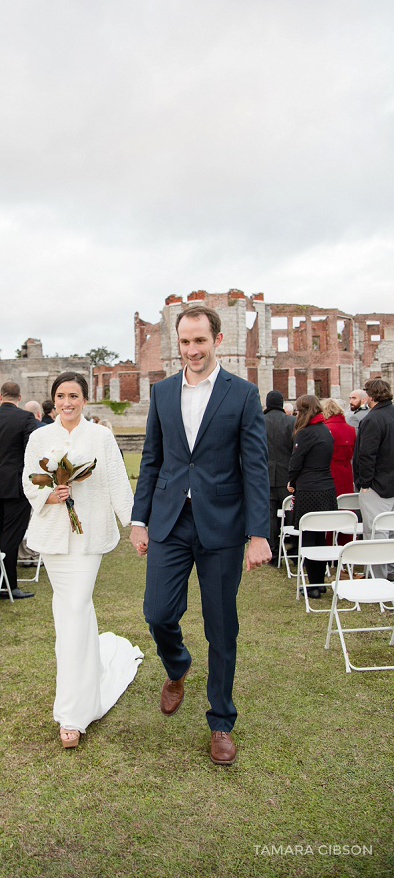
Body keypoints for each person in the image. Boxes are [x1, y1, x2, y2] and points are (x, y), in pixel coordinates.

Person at [130, 305, 270, 767]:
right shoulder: (162, 391)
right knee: (157, 612)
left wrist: (257, 533)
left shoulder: (244, 393)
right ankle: (177, 666)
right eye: (185, 342)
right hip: (170, 520)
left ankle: (221, 721)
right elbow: (152, 459)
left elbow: (255, 466)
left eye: (200, 341)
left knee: (220, 625)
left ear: (217, 341)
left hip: (223, 525)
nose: (192, 350)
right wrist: (139, 519)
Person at [23, 372, 141, 748]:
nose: (67, 402)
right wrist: (50, 496)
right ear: (53, 400)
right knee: (72, 612)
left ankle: (71, 714)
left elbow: (118, 484)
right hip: (53, 539)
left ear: (85, 400)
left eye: (74, 395)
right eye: (61, 396)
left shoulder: (101, 437)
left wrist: (135, 525)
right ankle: (85, 690)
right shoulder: (39, 437)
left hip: (89, 538)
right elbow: (28, 480)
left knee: (74, 607)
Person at [0, 380, 37, 600]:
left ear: (0, 397)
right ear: (19, 397)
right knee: (11, 537)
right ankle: (7, 586)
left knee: (2, 534)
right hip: (16, 486)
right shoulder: (26, 418)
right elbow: (31, 450)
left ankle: (1, 585)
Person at [287, 395, 336, 599]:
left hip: (309, 488)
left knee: (308, 537)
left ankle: (313, 584)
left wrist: (291, 480)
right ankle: (319, 582)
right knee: (320, 536)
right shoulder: (326, 429)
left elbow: (296, 461)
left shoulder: (305, 433)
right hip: (326, 486)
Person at [353, 377, 394, 579]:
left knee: (376, 533)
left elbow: (367, 454)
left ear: (370, 395)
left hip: (377, 485)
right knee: (390, 531)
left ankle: (378, 578)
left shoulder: (372, 419)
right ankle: (389, 573)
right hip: (387, 482)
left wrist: (365, 483)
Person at [263, 391, 295, 566]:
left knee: (270, 515)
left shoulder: (260, 421)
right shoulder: (292, 422)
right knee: (289, 511)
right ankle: (293, 546)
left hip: (266, 474)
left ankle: (273, 553)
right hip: (286, 474)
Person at [321, 399, 357, 499]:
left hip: (328, 473)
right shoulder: (351, 429)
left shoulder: (325, 428)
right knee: (346, 504)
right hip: (347, 472)